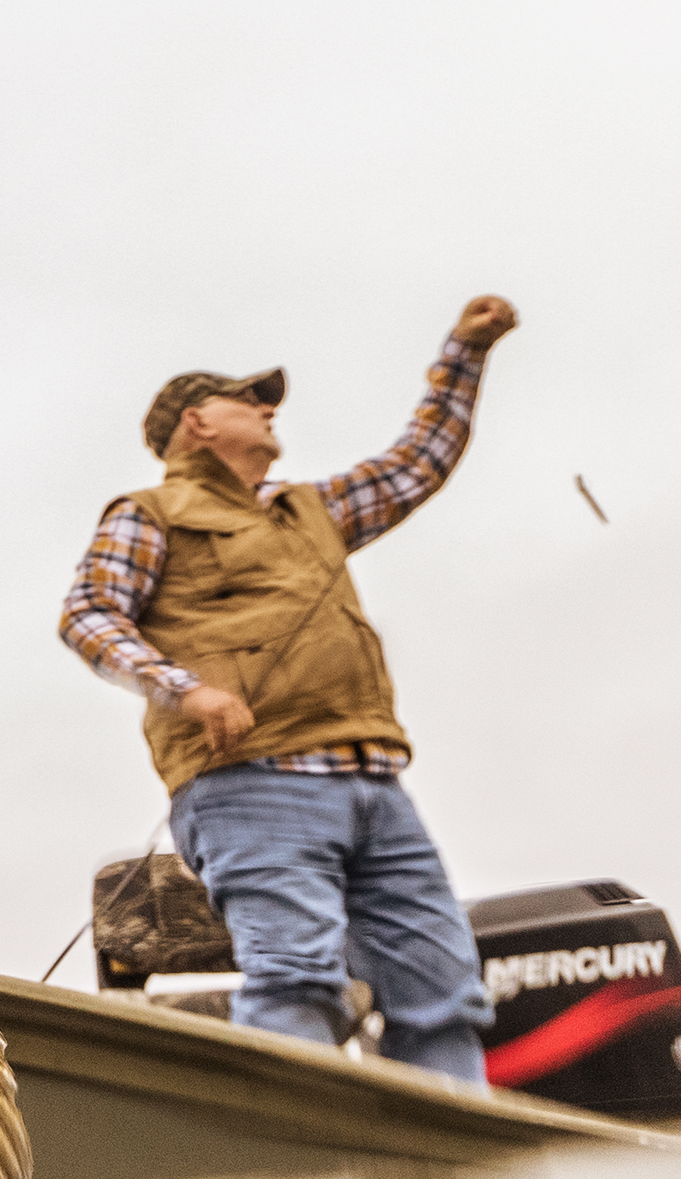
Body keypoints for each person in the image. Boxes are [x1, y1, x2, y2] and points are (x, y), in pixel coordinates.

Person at [56, 298, 523, 1085]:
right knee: (300, 981)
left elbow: (418, 462)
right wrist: (186, 691)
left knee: (444, 994)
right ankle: (297, 1174)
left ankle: (466, 1175)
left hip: (376, 784)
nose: (270, 409)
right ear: (195, 421)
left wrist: (464, 351)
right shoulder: (151, 514)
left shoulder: (313, 508)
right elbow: (89, 614)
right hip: (251, 789)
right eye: (250, 398)